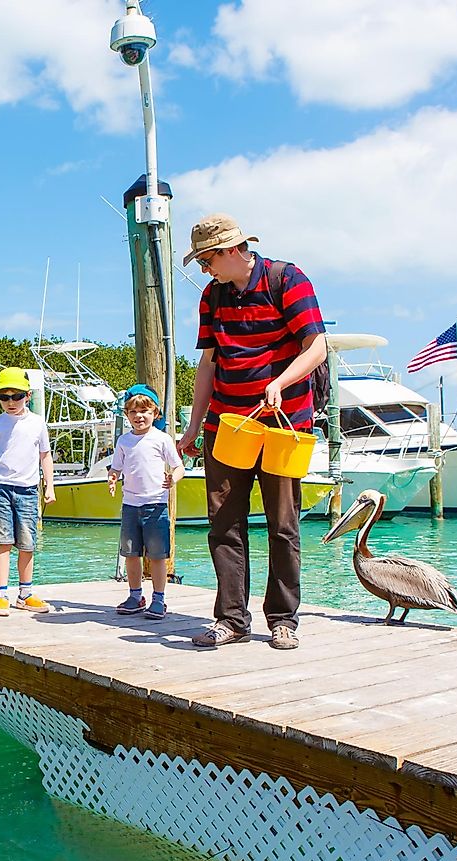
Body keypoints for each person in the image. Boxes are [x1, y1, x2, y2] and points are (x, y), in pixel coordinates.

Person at [177, 213, 326, 651]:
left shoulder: (288, 280)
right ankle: (231, 620)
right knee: (223, 524)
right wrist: (192, 426)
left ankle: (282, 619)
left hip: (283, 427)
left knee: (283, 525)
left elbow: (316, 346)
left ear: (231, 251)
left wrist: (279, 383)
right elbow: (208, 364)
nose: (205, 270)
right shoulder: (212, 297)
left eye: (207, 261)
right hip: (225, 425)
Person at [0, 367, 56, 617]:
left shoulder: (37, 423)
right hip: (0, 489)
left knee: (27, 544)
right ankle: (1, 594)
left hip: (29, 490)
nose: (11, 402)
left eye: (17, 396)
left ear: (28, 396)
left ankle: (25, 593)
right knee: (3, 543)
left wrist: (49, 486)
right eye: (4, 397)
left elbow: (45, 455)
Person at [108, 384, 183, 620]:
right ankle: (135, 595)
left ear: (155, 414)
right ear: (127, 415)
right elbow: (116, 467)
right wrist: (112, 478)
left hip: (156, 505)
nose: (139, 416)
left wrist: (174, 479)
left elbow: (179, 466)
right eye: (133, 412)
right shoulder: (124, 441)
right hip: (130, 505)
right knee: (131, 554)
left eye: (145, 411)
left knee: (157, 555)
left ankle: (159, 599)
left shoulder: (161, 439)